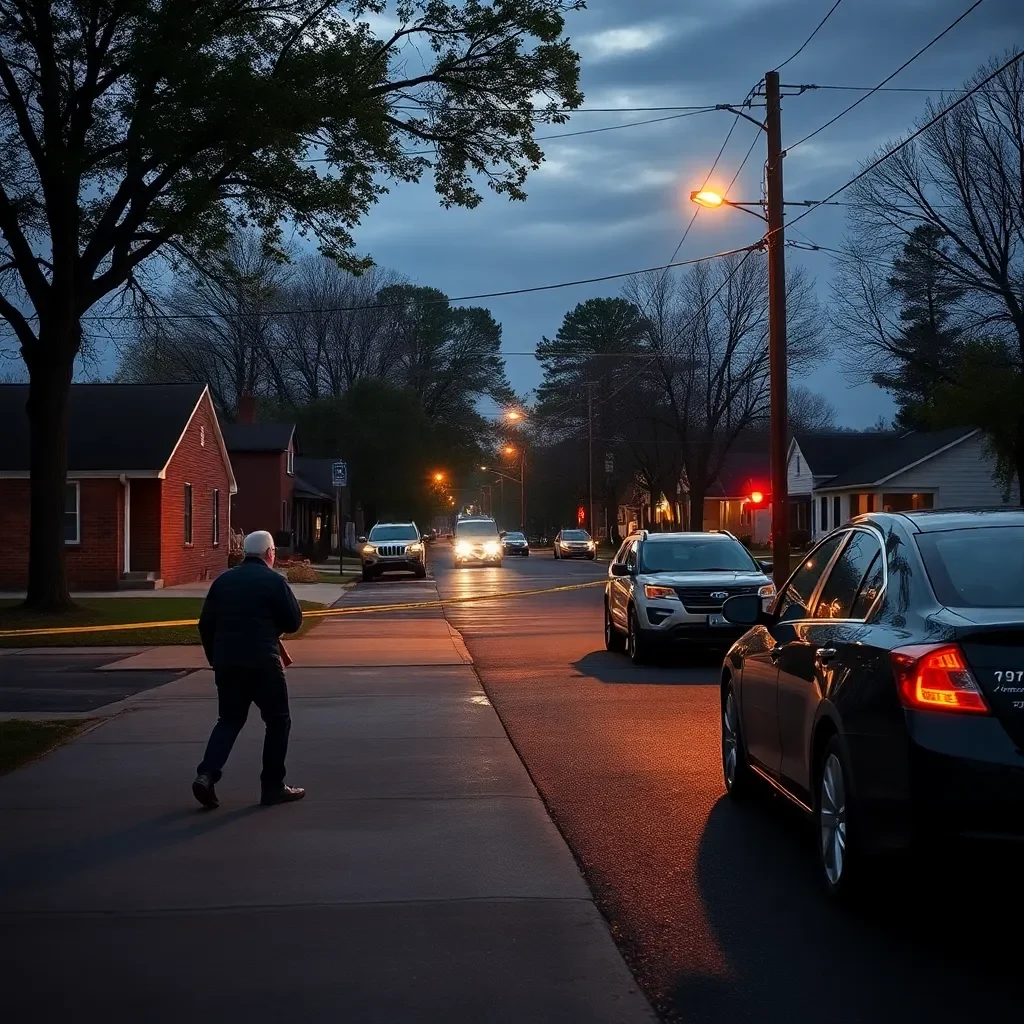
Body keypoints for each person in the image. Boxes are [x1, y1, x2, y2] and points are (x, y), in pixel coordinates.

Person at [192, 530, 305, 809]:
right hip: (263, 663)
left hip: (227, 664)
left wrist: (215, 659)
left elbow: (205, 625)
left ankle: (206, 775)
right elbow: (293, 622)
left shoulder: (223, 581)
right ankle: (273, 786)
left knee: (229, 720)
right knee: (278, 721)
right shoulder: (274, 582)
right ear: (269, 553)